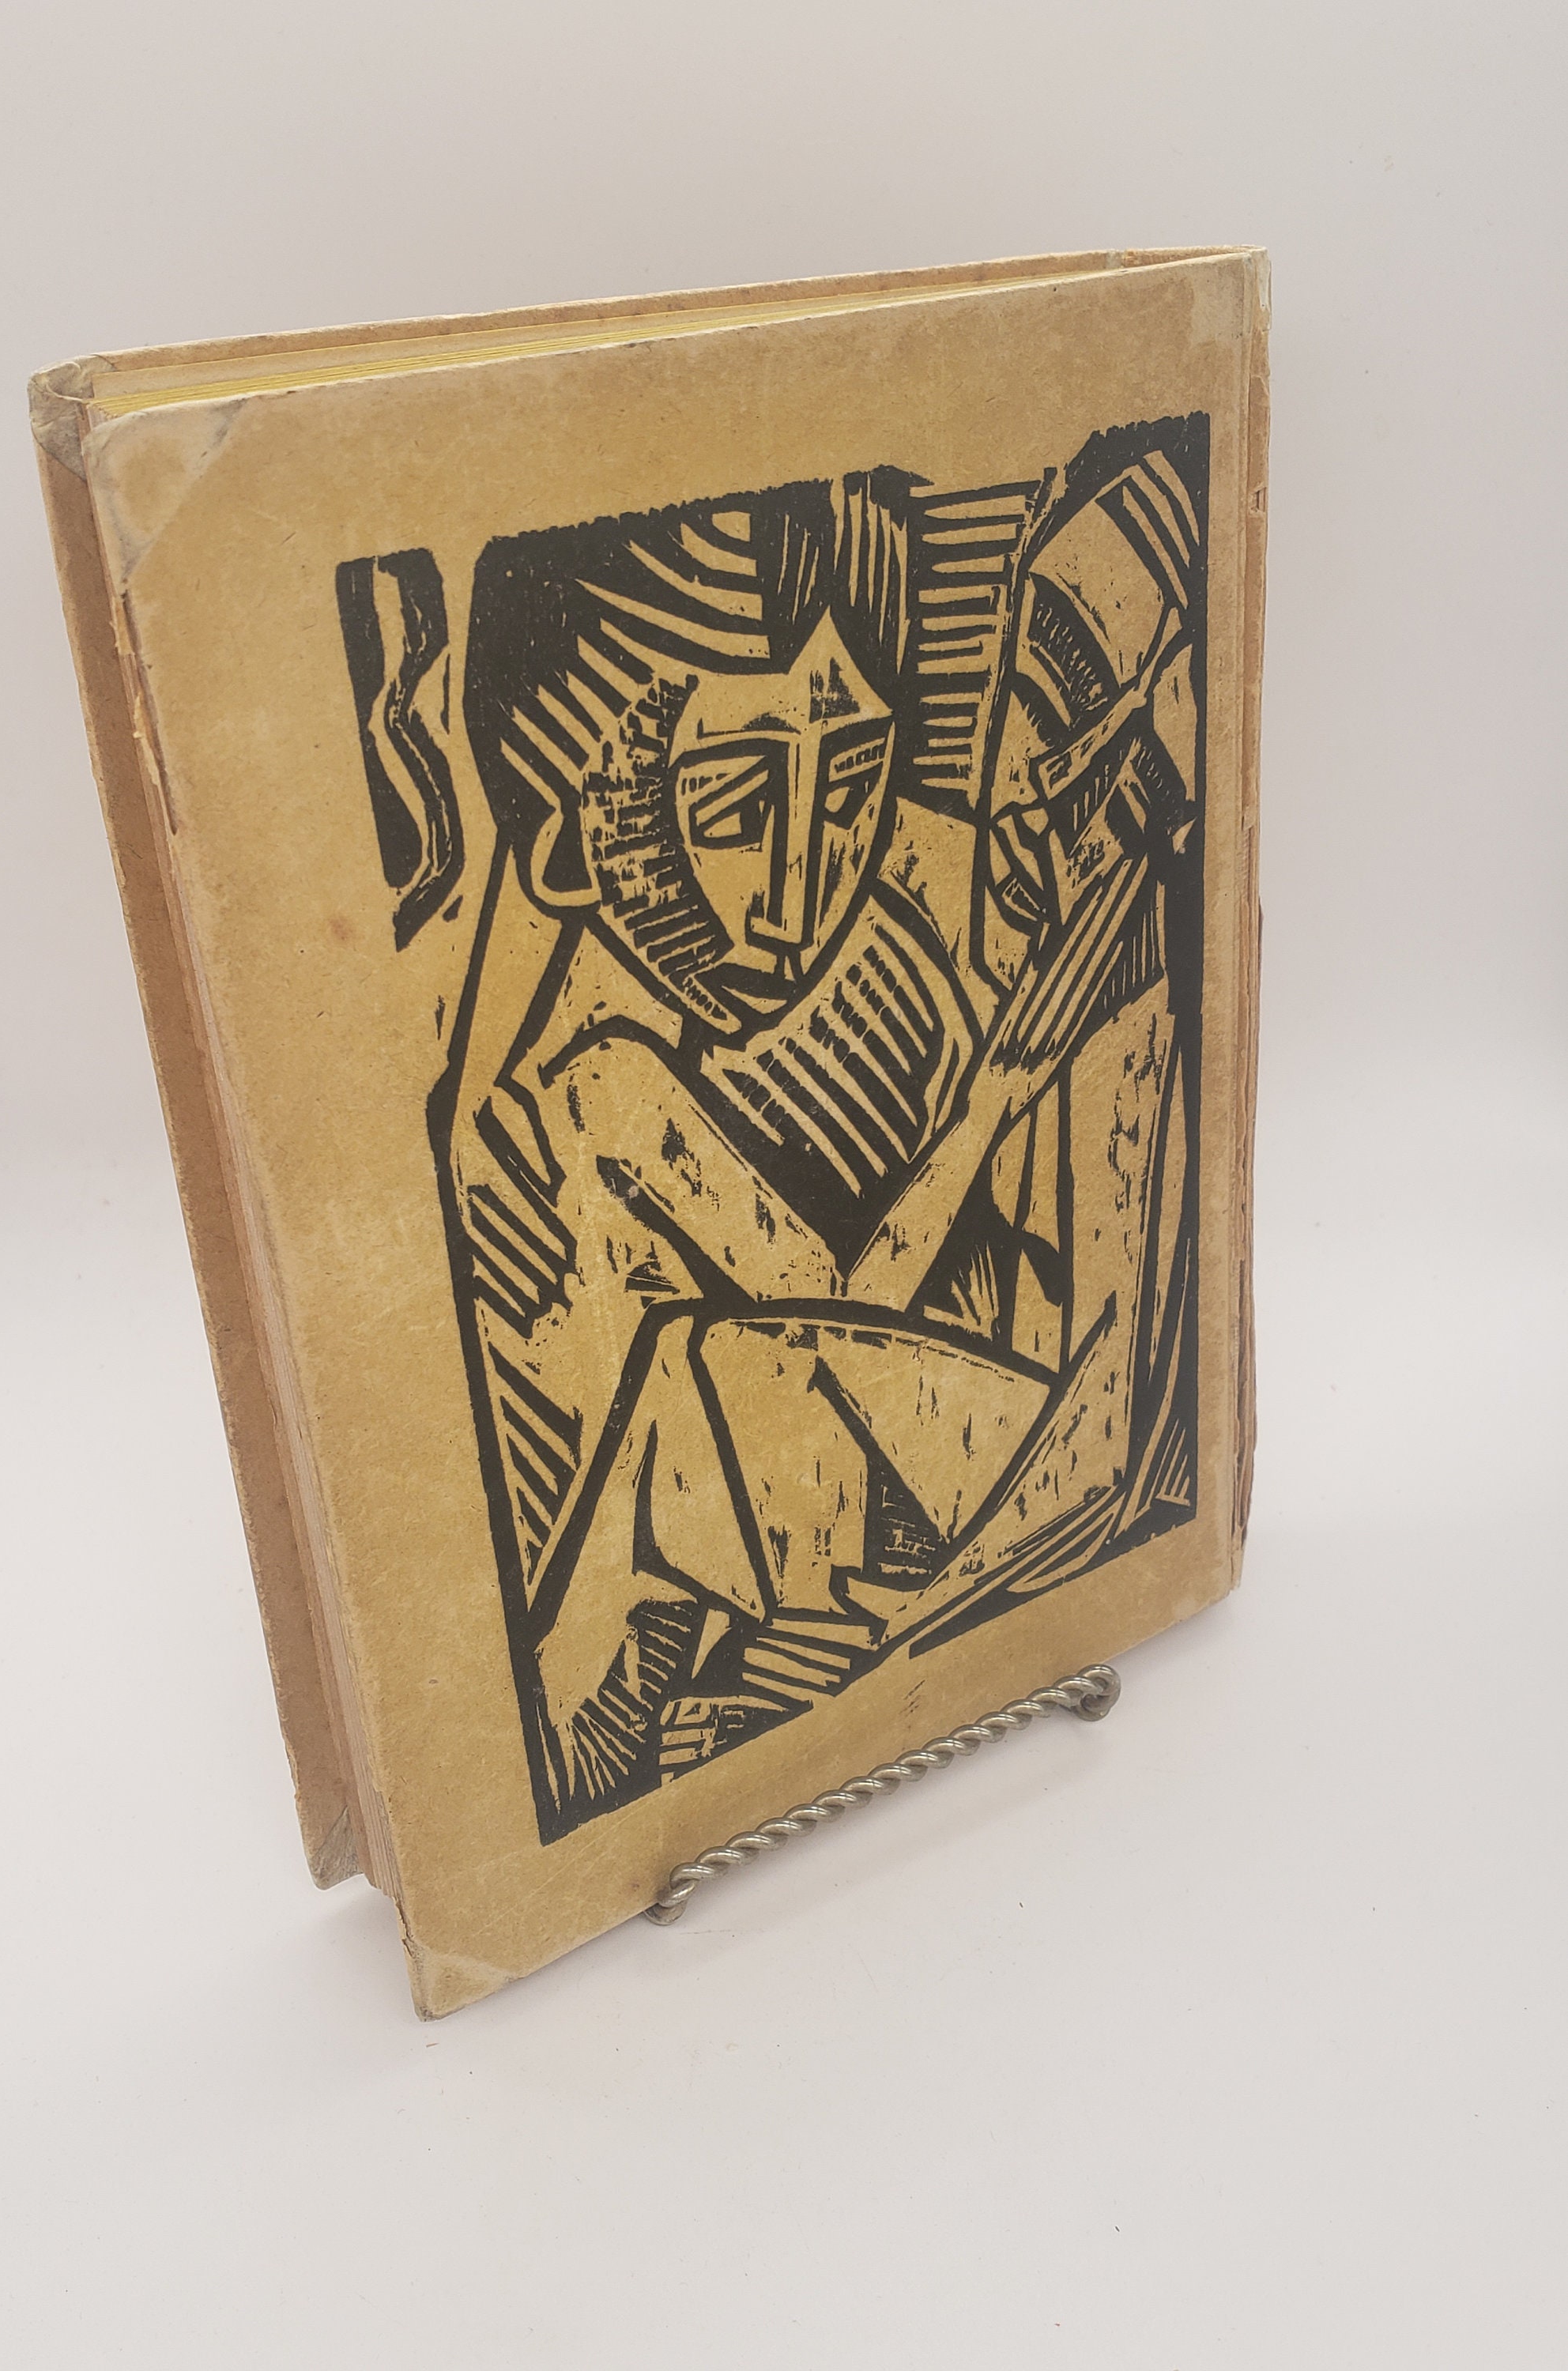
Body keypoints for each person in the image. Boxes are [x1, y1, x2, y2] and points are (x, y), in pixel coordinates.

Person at [434, 441, 1202, 1835]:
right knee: (689, 1390)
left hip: (1004, 1453)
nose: (800, 887)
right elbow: (838, 1314)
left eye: (849, 783)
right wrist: (995, 1094)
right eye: (732, 809)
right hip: (833, 1490)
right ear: (563, 845)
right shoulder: (598, 1088)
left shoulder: (924, 892)